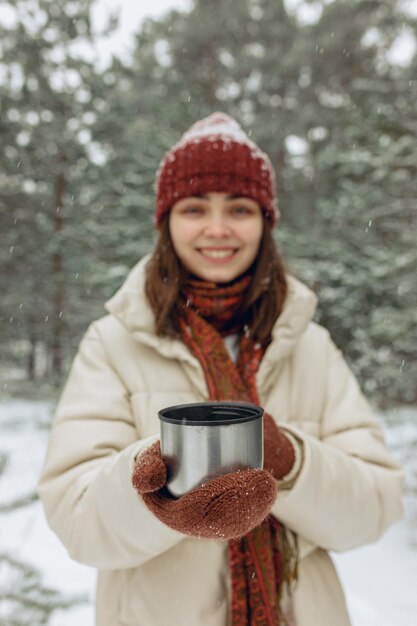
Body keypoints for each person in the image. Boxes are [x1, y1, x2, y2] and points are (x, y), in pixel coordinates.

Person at [38, 112, 403, 626]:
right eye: (194, 208)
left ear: (265, 222)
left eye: (238, 208)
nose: (217, 228)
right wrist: (155, 495)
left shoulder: (310, 346)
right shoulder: (114, 343)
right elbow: (76, 522)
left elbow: (375, 510)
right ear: (166, 221)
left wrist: (291, 461)